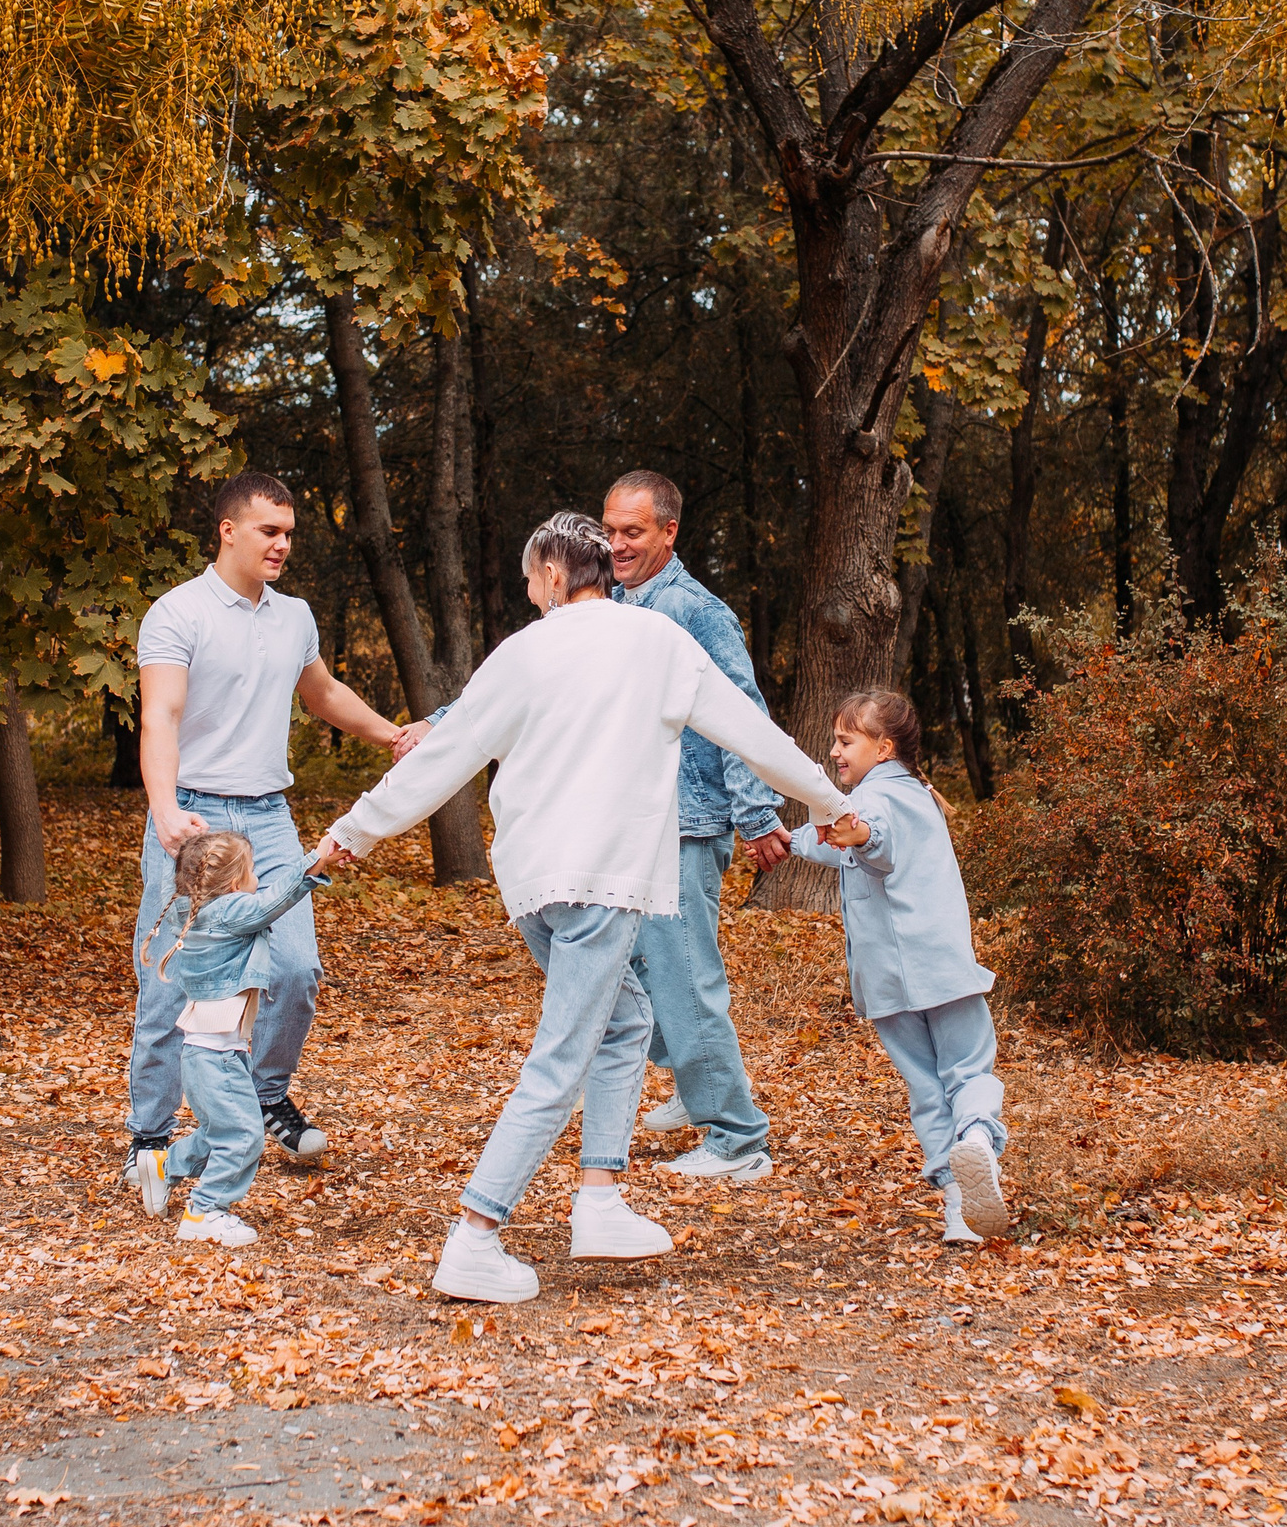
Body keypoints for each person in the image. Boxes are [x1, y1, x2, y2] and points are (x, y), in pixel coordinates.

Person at [320, 511, 847, 1303]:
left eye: (531, 582)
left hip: (534, 885)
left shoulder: (522, 653)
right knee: (561, 1055)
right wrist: (830, 802)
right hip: (601, 881)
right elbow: (754, 736)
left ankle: (600, 1199)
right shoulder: (659, 646)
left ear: (557, 577)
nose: (530, 596)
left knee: (627, 1019)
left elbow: (449, 753)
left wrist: (356, 831)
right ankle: (475, 1234)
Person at [123, 471, 424, 1200]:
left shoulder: (293, 617)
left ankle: (260, 1100)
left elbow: (320, 693)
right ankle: (150, 1136)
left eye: (289, 533)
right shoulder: (177, 613)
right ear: (228, 530)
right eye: (270, 531)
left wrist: (391, 735)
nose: (283, 544)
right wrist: (164, 808)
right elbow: (159, 716)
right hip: (194, 816)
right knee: (171, 980)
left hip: (269, 818)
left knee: (293, 972)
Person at [602, 470, 792, 1182]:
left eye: (633, 532)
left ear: (668, 532)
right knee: (624, 969)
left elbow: (740, 710)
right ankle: (693, 1080)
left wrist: (754, 812)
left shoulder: (692, 609)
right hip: (632, 821)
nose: (617, 544)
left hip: (687, 820)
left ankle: (738, 1139)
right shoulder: (619, 603)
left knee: (683, 979)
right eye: (610, 530)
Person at [786, 690, 1010, 1244]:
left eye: (846, 741)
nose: (834, 751)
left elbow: (873, 842)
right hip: (939, 967)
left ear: (883, 748)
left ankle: (959, 1210)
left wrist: (856, 834)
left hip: (888, 979)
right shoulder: (907, 796)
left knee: (928, 1092)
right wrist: (789, 841)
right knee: (968, 1072)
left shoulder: (877, 799)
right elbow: (847, 844)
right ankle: (977, 1137)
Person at [131, 832, 333, 1247]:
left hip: (211, 1052)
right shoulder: (228, 912)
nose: (257, 876)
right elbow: (274, 901)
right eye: (251, 869)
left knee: (218, 1131)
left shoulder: (192, 910)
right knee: (244, 1136)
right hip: (216, 1056)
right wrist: (316, 861)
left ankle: (163, 1165)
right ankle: (206, 1211)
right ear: (235, 881)